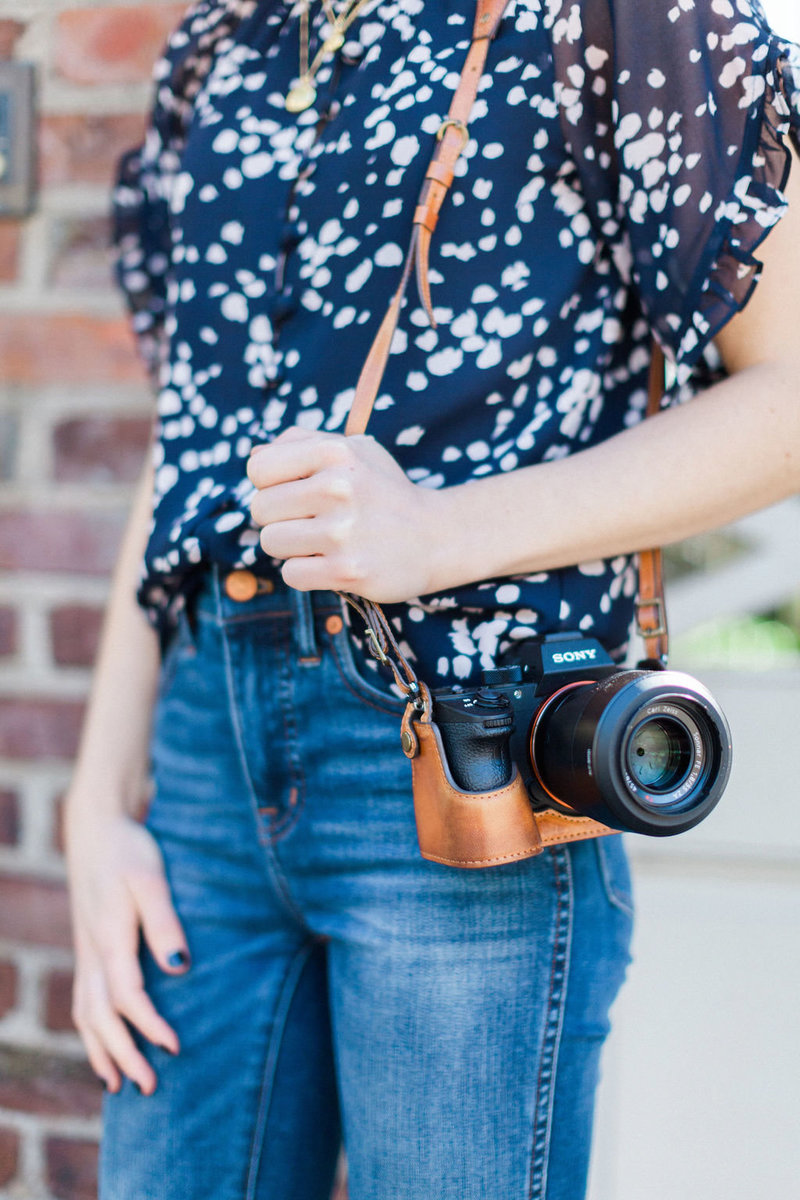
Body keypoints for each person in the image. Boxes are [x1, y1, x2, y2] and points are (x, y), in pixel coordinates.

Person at [65, 1, 800, 1197]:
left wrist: (441, 532)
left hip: (463, 743)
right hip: (205, 745)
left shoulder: (617, 17)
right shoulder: (227, 39)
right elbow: (191, 436)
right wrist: (94, 806)